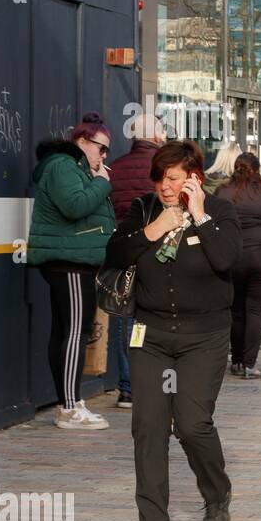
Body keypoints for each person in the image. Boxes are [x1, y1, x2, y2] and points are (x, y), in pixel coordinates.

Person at [104, 141, 242, 521]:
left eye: (174, 178)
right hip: (151, 335)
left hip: (205, 336)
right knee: (147, 427)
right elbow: (114, 253)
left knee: (192, 423)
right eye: (160, 178)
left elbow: (227, 260)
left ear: (194, 178)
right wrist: (154, 229)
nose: (165, 186)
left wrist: (198, 216)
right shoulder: (143, 210)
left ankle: (217, 495)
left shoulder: (220, 212)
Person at [28, 113, 117, 430]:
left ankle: (71, 401)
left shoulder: (73, 167)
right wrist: (102, 183)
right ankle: (68, 407)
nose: (104, 156)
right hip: (70, 263)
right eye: (101, 148)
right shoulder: (64, 166)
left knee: (66, 332)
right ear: (81, 142)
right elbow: (75, 206)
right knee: (75, 333)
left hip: (73, 259)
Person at [107, 112, 168, 409]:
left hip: (123, 251)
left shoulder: (115, 168)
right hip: (159, 251)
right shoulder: (164, 169)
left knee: (124, 317)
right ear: (157, 137)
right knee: (159, 314)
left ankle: (127, 387)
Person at [218, 153, 261, 378]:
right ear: (257, 169)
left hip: (233, 255)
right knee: (256, 310)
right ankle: (249, 364)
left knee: (236, 310)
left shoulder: (223, 193)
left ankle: (236, 360)